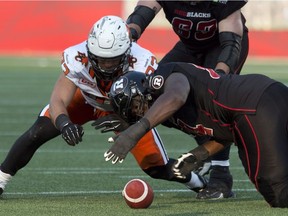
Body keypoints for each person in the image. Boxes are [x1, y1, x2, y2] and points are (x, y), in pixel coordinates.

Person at [0, 16, 207, 195]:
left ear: (127, 52)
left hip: (126, 110)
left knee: (156, 166)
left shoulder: (143, 61)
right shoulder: (77, 56)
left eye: (112, 60)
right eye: (100, 59)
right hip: (86, 98)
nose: (106, 65)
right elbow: (58, 99)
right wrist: (64, 123)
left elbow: (148, 107)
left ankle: (198, 182)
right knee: (38, 131)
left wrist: (128, 125)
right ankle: (1, 180)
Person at [105, 62, 288, 208]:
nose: (138, 114)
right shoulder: (170, 116)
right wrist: (200, 154)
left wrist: (135, 132)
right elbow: (229, 131)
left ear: (143, 88)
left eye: (136, 106)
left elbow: (176, 96)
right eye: (133, 113)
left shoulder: (165, 75)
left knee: (276, 192)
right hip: (264, 98)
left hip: (252, 105)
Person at [126, 0, 249, 199]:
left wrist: (218, 78)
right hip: (189, 47)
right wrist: (129, 34)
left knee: (215, 104)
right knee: (156, 92)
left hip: (221, 48)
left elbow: (230, 44)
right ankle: (205, 143)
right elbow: (141, 14)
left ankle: (221, 178)